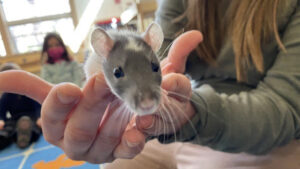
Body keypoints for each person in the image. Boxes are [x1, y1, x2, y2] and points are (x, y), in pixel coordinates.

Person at [0, 0, 298, 168]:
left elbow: (285, 107)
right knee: (116, 163)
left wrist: (190, 113)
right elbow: (159, 54)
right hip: (172, 117)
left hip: (252, 131)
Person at [0, 63, 42, 149]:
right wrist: (1, 120)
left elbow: (37, 105)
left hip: (31, 116)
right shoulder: (6, 95)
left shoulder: (29, 90)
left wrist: (39, 117)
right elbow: (1, 111)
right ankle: (5, 137)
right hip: (15, 118)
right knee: (9, 126)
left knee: (32, 125)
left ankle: (24, 135)